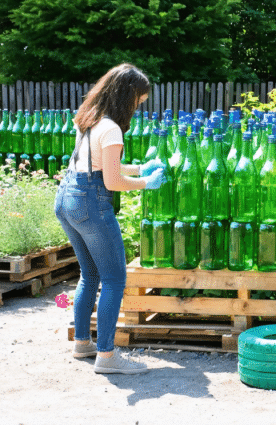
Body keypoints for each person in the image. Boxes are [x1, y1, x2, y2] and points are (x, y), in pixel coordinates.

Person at [55, 63, 166, 375]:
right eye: (138, 101)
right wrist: (147, 183)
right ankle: (106, 356)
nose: (138, 107)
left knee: (89, 275)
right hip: (91, 205)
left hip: (67, 199)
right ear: (126, 96)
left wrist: (139, 168)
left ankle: (82, 343)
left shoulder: (88, 119)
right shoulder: (113, 128)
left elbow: (100, 164)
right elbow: (112, 182)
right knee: (115, 279)